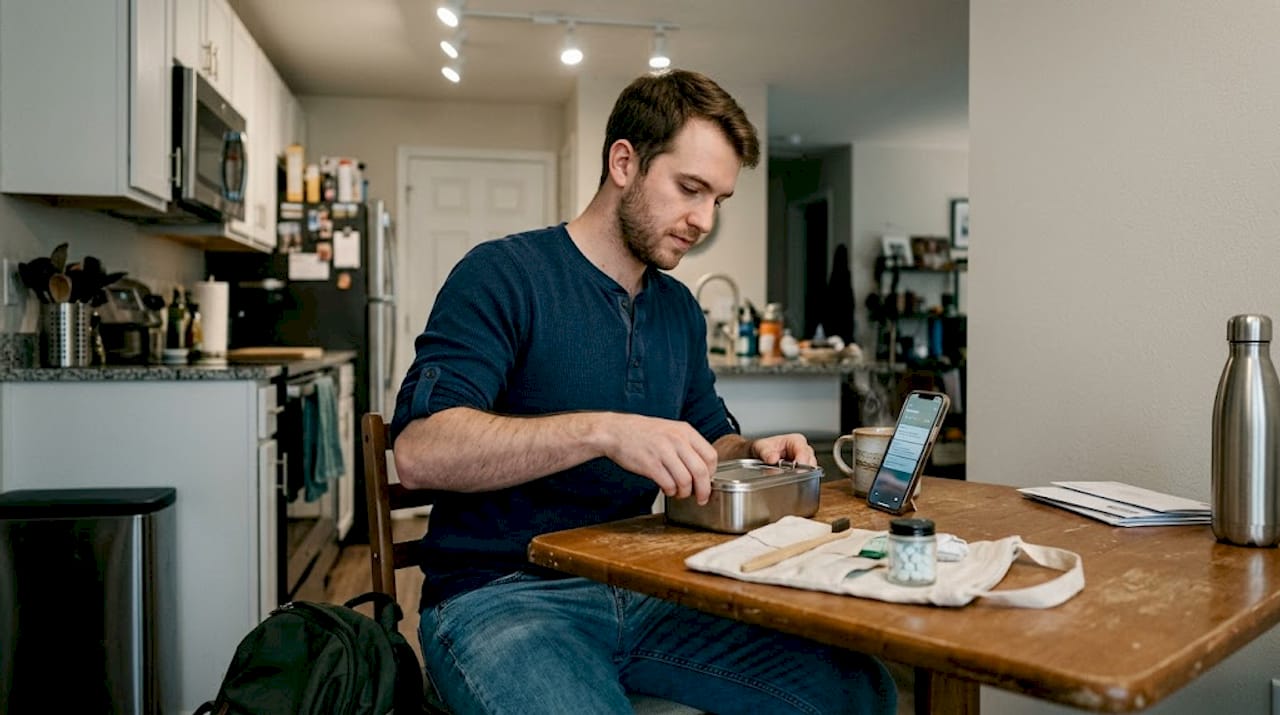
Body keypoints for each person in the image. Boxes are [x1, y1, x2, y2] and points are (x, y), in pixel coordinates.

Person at [390, 69, 897, 715]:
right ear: (624, 162)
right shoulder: (503, 274)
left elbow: (710, 435)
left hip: (648, 585)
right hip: (501, 597)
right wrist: (603, 430)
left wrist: (752, 450)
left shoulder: (678, 309)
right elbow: (421, 451)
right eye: (690, 188)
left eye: (718, 199)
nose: (703, 220)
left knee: (858, 688)